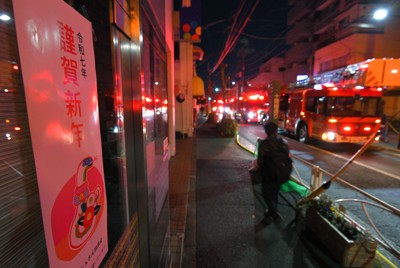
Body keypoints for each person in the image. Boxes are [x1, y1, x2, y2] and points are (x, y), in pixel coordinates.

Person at [256, 121, 290, 223]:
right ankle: (271, 212)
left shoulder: (263, 144)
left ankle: (273, 211)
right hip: (280, 173)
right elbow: (287, 157)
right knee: (275, 192)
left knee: (266, 193)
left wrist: (259, 171)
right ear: (276, 131)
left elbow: (260, 161)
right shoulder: (284, 143)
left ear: (266, 131)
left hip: (268, 174)